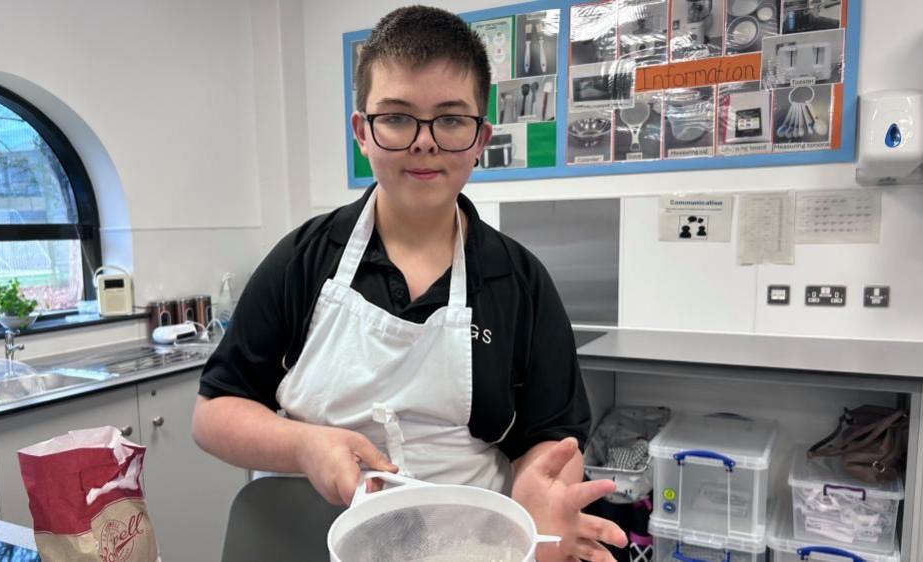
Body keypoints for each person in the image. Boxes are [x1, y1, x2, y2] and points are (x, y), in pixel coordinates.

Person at [192, 6, 626, 561]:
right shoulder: (304, 260)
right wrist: (304, 445)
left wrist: (538, 508)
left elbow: (550, 444)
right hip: (307, 537)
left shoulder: (519, 282)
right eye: (397, 118)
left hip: (468, 544)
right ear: (362, 133)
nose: (424, 142)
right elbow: (214, 413)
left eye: (449, 119)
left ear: (479, 139)